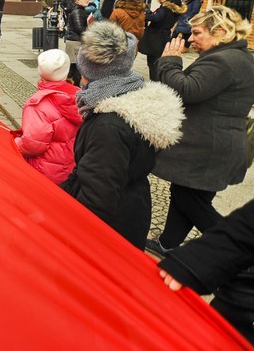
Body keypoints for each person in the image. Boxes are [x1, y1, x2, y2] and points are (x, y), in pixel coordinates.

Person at [148, 6, 254, 255]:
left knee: (191, 201)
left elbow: (187, 90)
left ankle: (239, 252)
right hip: (213, 145)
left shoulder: (224, 60)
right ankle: (168, 244)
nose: (191, 39)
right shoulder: (235, 56)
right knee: (184, 195)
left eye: (197, 33)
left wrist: (169, 63)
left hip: (208, 148)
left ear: (219, 32)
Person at [59, 22, 184, 249]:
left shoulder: (109, 125)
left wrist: (71, 240)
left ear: (90, 73)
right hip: (131, 209)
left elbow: (97, 198)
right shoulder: (130, 93)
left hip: (111, 227)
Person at [157, 182, 254, 350]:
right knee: (184, 194)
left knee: (187, 196)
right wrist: (197, 261)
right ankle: (167, 241)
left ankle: (167, 242)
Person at [14, 49, 82, 184]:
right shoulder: (79, 97)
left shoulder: (37, 105)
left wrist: (14, 142)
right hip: (71, 168)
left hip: (45, 172)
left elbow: (32, 145)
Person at [142, 0, 185, 81]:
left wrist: (145, 16)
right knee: (159, 59)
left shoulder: (165, 8)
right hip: (165, 35)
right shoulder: (175, 9)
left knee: (153, 61)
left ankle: (155, 81)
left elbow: (156, 18)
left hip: (156, 36)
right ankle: (159, 80)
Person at [64, 0, 90, 85]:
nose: (86, 0)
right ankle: (71, 87)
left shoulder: (81, 10)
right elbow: (80, 28)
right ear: (77, 0)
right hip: (75, 41)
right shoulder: (78, 11)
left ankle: (71, 86)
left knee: (75, 66)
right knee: (74, 66)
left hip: (76, 40)